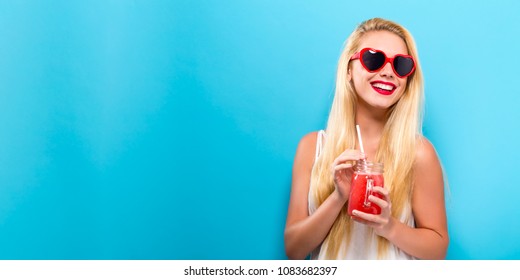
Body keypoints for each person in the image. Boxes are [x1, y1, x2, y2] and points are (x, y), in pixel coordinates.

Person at [284, 18, 449, 260]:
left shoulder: (418, 153)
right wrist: (339, 196)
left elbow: (438, 249)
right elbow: (294, 250)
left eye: (401, 65)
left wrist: (388, 226)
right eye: (373, 59)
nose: (387, 72)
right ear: (349, 70)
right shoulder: (312, 147)